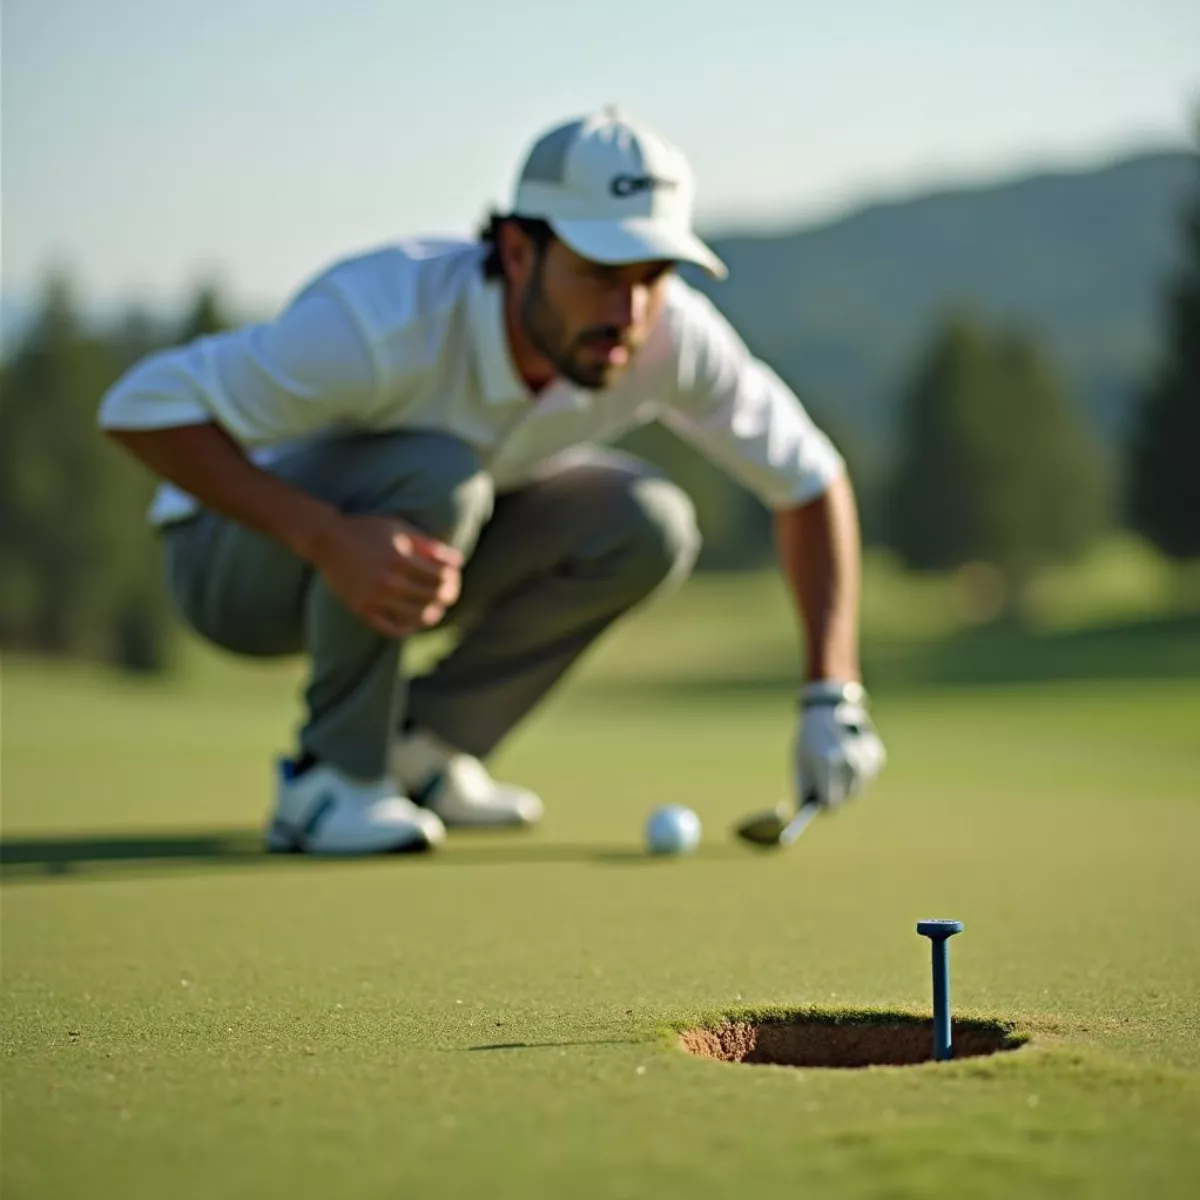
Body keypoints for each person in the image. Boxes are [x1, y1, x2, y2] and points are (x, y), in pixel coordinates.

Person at [98, 107, 887, 855]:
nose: (630, 307)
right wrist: (327, 537)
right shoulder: (380, 320)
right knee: (443, 473)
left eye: (654, 274)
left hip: (426, 532)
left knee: (647, 523)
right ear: (517, 251)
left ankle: (422, 748)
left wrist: (833, 694)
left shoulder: (668, 334)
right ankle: (328, 780)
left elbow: (809, 480)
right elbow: (140, 408)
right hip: (230, 562)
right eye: (600, 271)